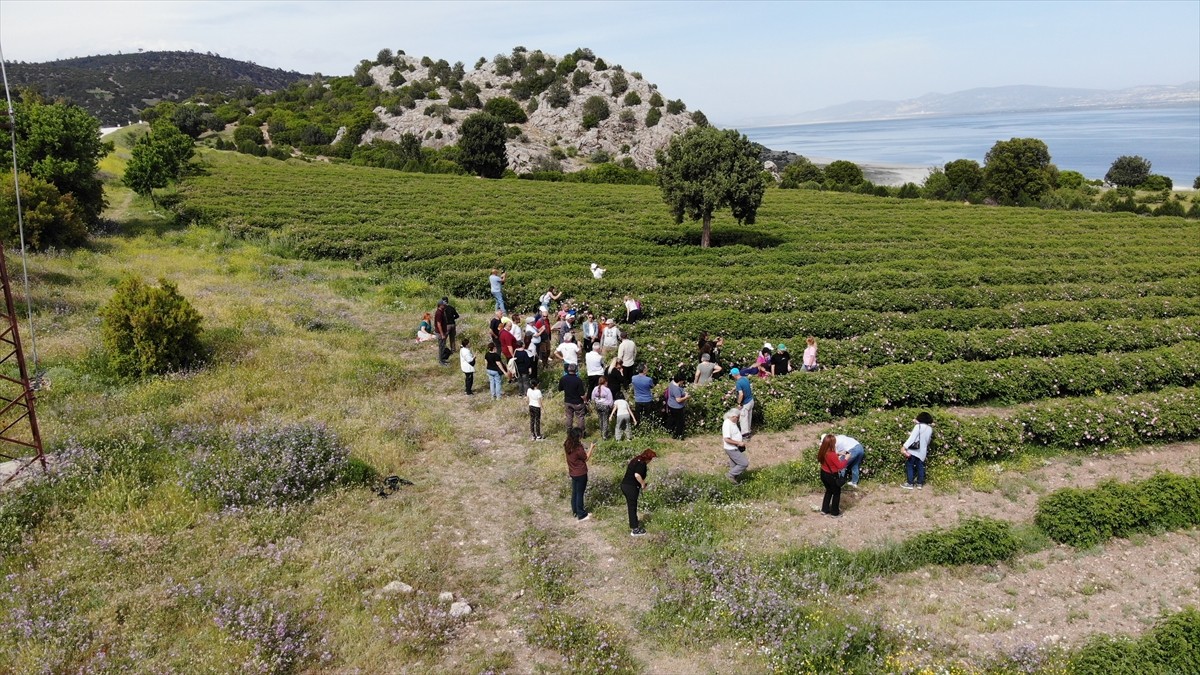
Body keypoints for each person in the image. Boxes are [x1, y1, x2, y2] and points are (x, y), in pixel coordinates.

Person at [621, 449, 656, 536]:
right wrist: (643, 484)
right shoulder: (642, 464)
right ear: (648, 458)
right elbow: (637, 475)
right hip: (631, 487)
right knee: (632, 507)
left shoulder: (636, 459)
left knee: (631, 506)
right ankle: (635, 530)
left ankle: (634, 522)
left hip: (625, 485)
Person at [564, 427, 594, 521]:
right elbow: (586, 458)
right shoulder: (578, 448)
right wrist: (591, 448)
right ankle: (581, 514)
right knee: (580, 493)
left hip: (573, 472)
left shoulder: (567, 444)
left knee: (575, 492)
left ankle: (575, 511)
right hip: (581, 473)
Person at [818, 434, 851, 517]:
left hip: (823, 473)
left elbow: (828, 457)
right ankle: (834, 513)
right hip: (831, 476)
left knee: (828, 490)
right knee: (836, 493)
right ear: (832, 444)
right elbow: (840, 466)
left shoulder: (822, 450)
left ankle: (824, 509)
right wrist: (847, 458)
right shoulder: (832, 454)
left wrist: (838, 454)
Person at [901, 412, 935, 489]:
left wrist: (904, 447)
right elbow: (928, 441)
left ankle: (910, 483)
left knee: (910, 465)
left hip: (913, 450)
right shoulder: (930, 429)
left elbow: (912, 438)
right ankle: (920, 483)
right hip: (922, 451)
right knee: (920, 466)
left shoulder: (918, 426)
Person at [722, 407, 749, 483]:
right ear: (733, 416)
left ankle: (732, 482)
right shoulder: (727, 423)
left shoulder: (732, 423)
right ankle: (729, 475)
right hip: (731, 448)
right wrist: (739, 443)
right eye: (738, 418)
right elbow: (726, 439)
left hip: (735, 448)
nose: (738, 419)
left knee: (734, 466)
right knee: (744, 463)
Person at [558, 363, 587, 432]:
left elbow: (560, 389)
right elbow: (582, 394)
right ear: (576, 370)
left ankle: (569, 430)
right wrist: (585, 400)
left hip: (568, 401)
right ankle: (581, 432)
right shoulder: (578, 380)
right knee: (580, 417)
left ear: (568, 369)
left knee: (569, 416)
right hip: (578, 402)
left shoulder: (563, 379)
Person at [665, 373, 689, 439]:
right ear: (680, 380)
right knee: (680, 422)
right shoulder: (676, 389)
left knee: (672, 419)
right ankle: (678, 435)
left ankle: (669, 430)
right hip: (677, 407)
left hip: (671, 404)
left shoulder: (672, 383)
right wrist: (686, 397)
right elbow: (678, 400)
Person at [733, 368, 754, 438]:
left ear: (734, 375)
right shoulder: (745, 378)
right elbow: (743, 386)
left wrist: (739, 403)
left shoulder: (738, 382)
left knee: (743, 419)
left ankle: (745, 435)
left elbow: (741, 394)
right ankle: (749, 431)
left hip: (745, 403)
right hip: (751, 401)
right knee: (749, 418)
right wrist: (733, 390)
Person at [434, 300, 450, 365]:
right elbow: (438, 324)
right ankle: (441, 361)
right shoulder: (438, 313)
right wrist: (442, 334)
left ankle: (442, 359)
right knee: (441, 347)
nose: (445, 305)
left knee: (443, 347)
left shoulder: (441, 311)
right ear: (440, 305)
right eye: (444, 305)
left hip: (443, 332)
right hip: (440, 333)